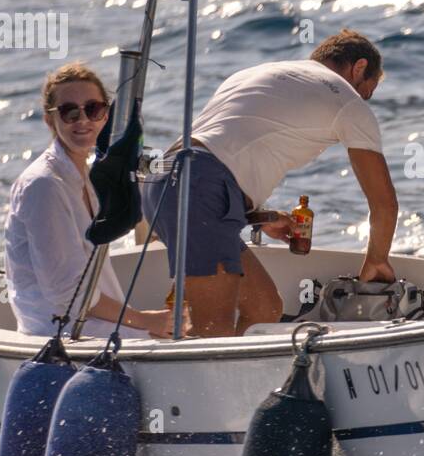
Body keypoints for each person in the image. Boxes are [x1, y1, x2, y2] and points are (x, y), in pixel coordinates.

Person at [144, 29, 399, 336]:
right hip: (199, 190)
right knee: (213, 332)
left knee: (265, 308)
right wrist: (377, 261)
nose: (364, 100)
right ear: (358, 68)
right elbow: (383, 204)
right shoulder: (346, 100)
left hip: (160, 182)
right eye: (367, 91)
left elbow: (219, 148)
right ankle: (199, 379)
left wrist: (260, 217)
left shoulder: (256, 74)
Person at [5, 63, 178, 338]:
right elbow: (66, 293)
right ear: (50, 120)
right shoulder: (44, 186)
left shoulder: (85, 173)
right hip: (60, 337)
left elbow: (156, 169)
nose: (83, 120)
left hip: (96, 326)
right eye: (70, 112)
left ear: (106, 115)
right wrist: (144, 320)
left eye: (93, 109)